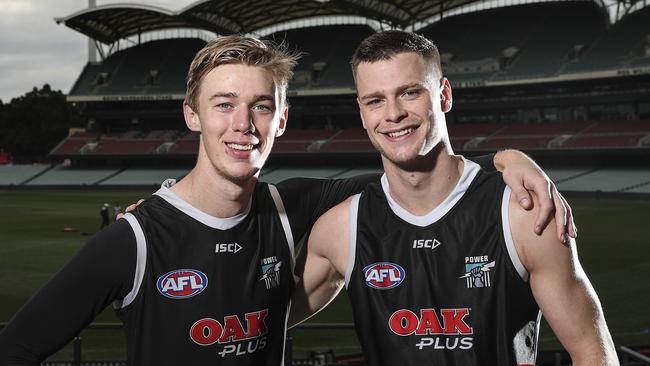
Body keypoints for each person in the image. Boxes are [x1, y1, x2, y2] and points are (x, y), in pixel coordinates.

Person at [0, 35, 574, 366]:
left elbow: (421, 166)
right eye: (224, 104)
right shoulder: (135, 240)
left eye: (261, 106)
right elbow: (18, 346)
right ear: (191, 114)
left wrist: (510, 159)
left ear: (282, 119)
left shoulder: (292, 207)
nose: (243, 124)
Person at [290, 31, 617, 366]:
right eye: (375, 100)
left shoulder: (522, 216)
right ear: (361, 113)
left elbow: (593, 352)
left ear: (444, 95)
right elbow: (254, 327)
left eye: (410, 92)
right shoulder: (339, 229)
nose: (393, 114)